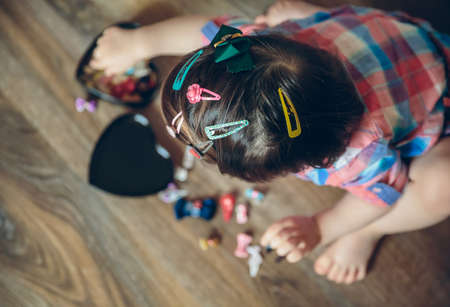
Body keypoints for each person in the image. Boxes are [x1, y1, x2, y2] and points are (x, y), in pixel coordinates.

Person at [90, 0, 450, 284]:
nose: (171, 133)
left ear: (300, 165)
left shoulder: (358, 153)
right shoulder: (264, 52)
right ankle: (314, 16)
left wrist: (321, 227)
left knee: (440, 187)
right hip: (381, 40)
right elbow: (205, 31)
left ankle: (370, 233)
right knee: (284, 14)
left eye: (202, 148)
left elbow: (381, 191)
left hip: (439, 108)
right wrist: (141, 42)